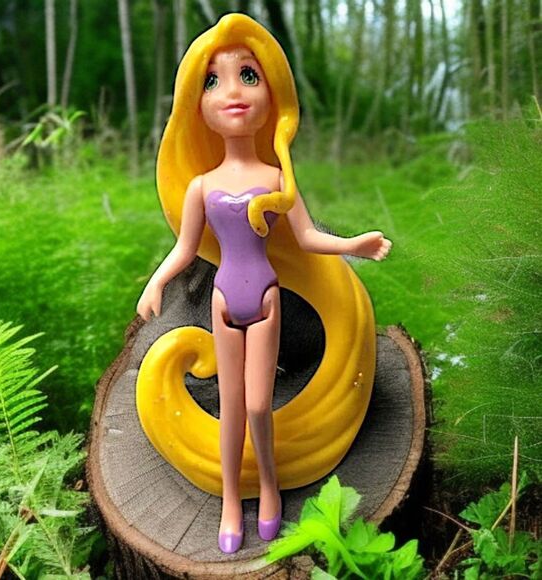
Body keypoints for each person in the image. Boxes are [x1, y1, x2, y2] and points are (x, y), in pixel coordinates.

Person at [136, 14, 392, 554]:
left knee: (257, 406)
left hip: (266, 299)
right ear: (197, 105)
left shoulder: (276, 179)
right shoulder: (201, 186)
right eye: (214, 80)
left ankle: (270, 486)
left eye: (248, 75)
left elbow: (308, 238)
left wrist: (354, 245)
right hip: (225, 300)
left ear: (272, 94)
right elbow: (185, 248)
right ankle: (232, 499)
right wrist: (156, 283)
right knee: (231, 409)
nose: (232, 91)